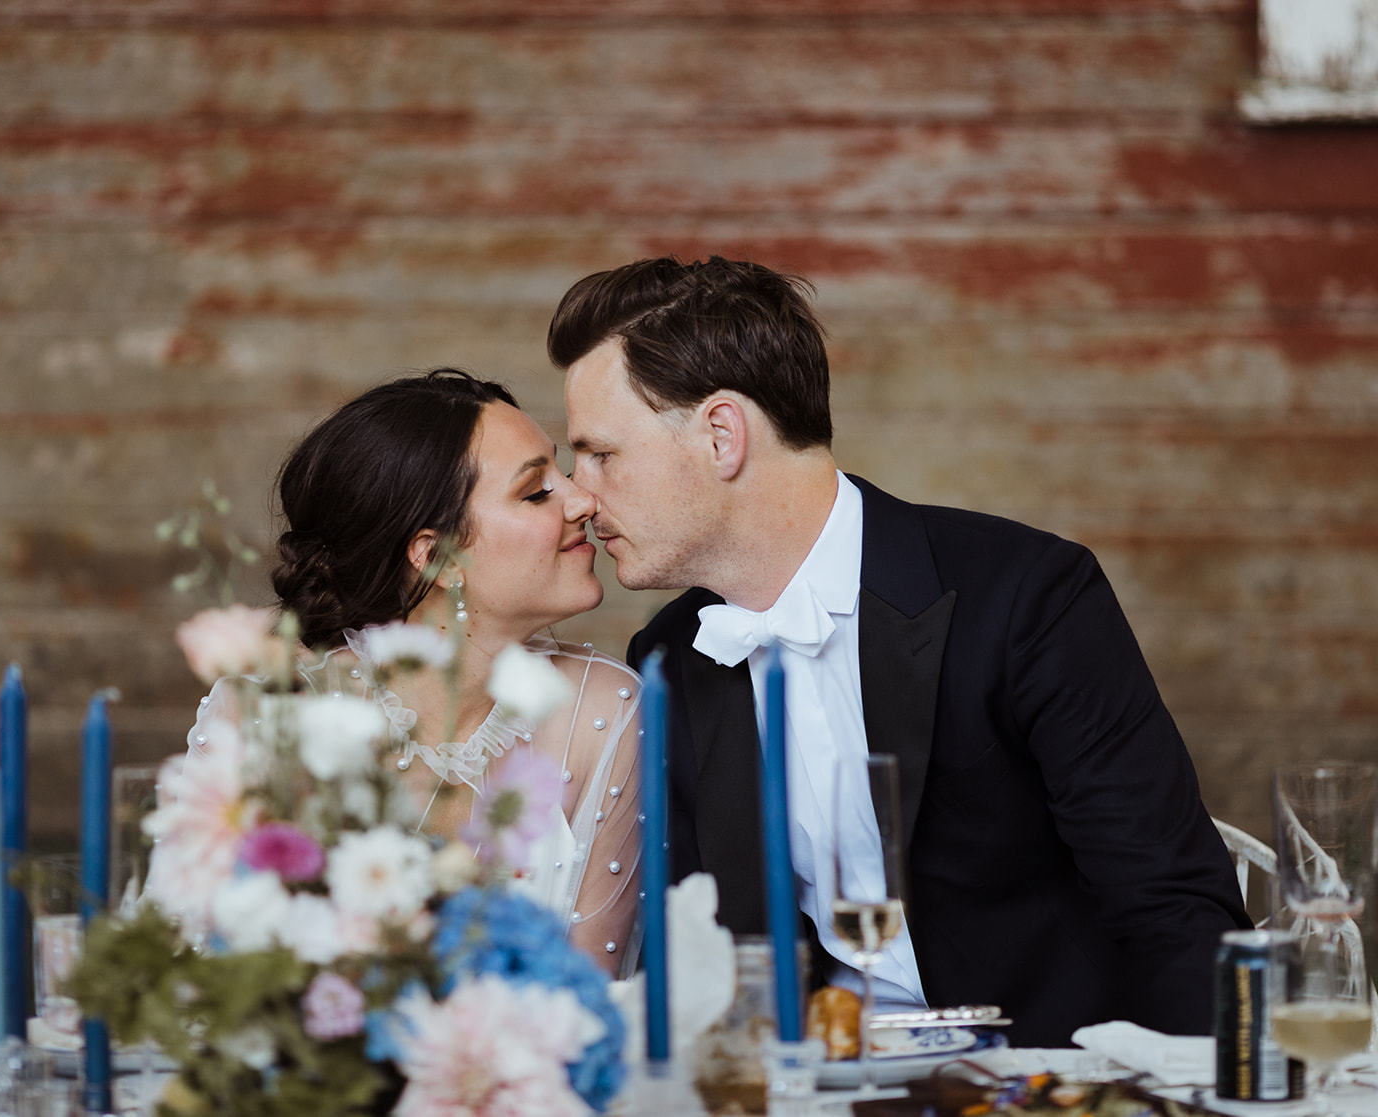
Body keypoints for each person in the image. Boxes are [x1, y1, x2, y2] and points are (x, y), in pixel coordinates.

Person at [548, 256, 1250, 1045]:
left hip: (1047, 1076)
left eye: (601, 454)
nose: (579, 495)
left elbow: (1173, 904)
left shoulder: (1026, 597)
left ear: (721, 436)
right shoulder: (673, 655)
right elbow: (702, 961)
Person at [185, 370, 643, 976]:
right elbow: (202, 973)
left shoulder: (604, 710)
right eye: (536, 492)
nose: (583, 501)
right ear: (435, 558)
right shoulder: (269, 715)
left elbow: (594, 995)